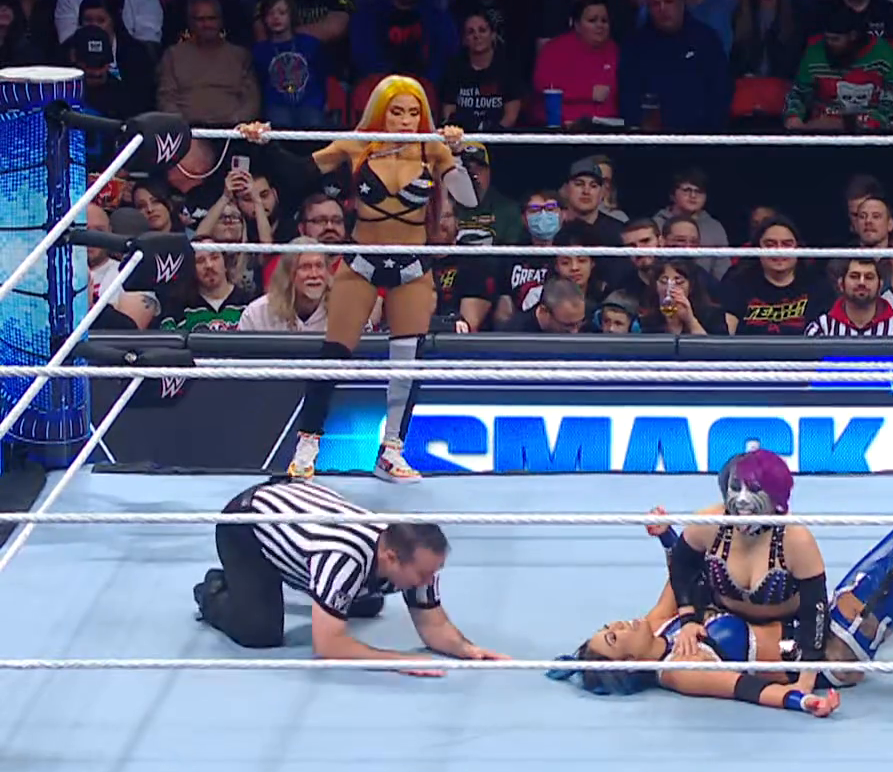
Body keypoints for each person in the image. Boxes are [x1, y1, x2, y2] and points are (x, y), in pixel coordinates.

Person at [614, 450, 893, 696]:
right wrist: (690, 615)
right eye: (735, 493)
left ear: (777, 501)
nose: (741, 502)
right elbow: (684, 566)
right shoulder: (710, 528)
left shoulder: (792, 538)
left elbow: (815, 610)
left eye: (753, 492)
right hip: (830, 654)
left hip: (818, 639)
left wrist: (805, 677)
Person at [237, 76, 476, 483]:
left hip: (412, 263)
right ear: (381, 111)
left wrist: (457, 152)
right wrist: (266, 144)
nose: (405, 120)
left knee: (407, 361)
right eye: (396, 111)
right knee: (334, 353)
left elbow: (469, 199)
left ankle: (392, 450)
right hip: (363, 259)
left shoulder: (431, 148)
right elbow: (298, 174)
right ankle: (308, 444)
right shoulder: (357, 145)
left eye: (413, 112)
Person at [191, 477, 505, 672]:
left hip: (300, 509)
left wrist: (467, 649)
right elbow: (327, 646)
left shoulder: (416, 555)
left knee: (368, 602)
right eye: (423, 574)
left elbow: (433, 624)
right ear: (391, 558)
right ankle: (214, 590)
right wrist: (396, 661)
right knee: (260, 633)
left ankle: (299, 575)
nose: (429, 581)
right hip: (247, 524)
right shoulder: (342, 558)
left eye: (433, 572)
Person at [548, 612, 841, 716]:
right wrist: (803, 701)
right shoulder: (681, 670)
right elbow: (746, 688)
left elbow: (684, 573)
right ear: (629, 662)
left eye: (607, 627)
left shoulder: (660, 626)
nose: (617, 624)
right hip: (831, 654)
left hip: (815, 620)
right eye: (613, 636)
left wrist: (665, 535)